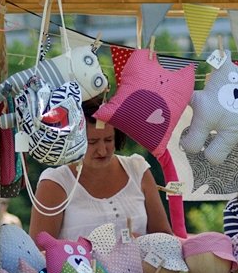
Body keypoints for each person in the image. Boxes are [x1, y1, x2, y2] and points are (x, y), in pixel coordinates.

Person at [29, 98, 173, 241]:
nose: (103, 151)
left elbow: (165, 239)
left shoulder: (137, 169)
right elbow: (38, 253)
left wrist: (140, 242)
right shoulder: (55, 183)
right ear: (73, 140)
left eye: (109, 140)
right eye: (92, 142)